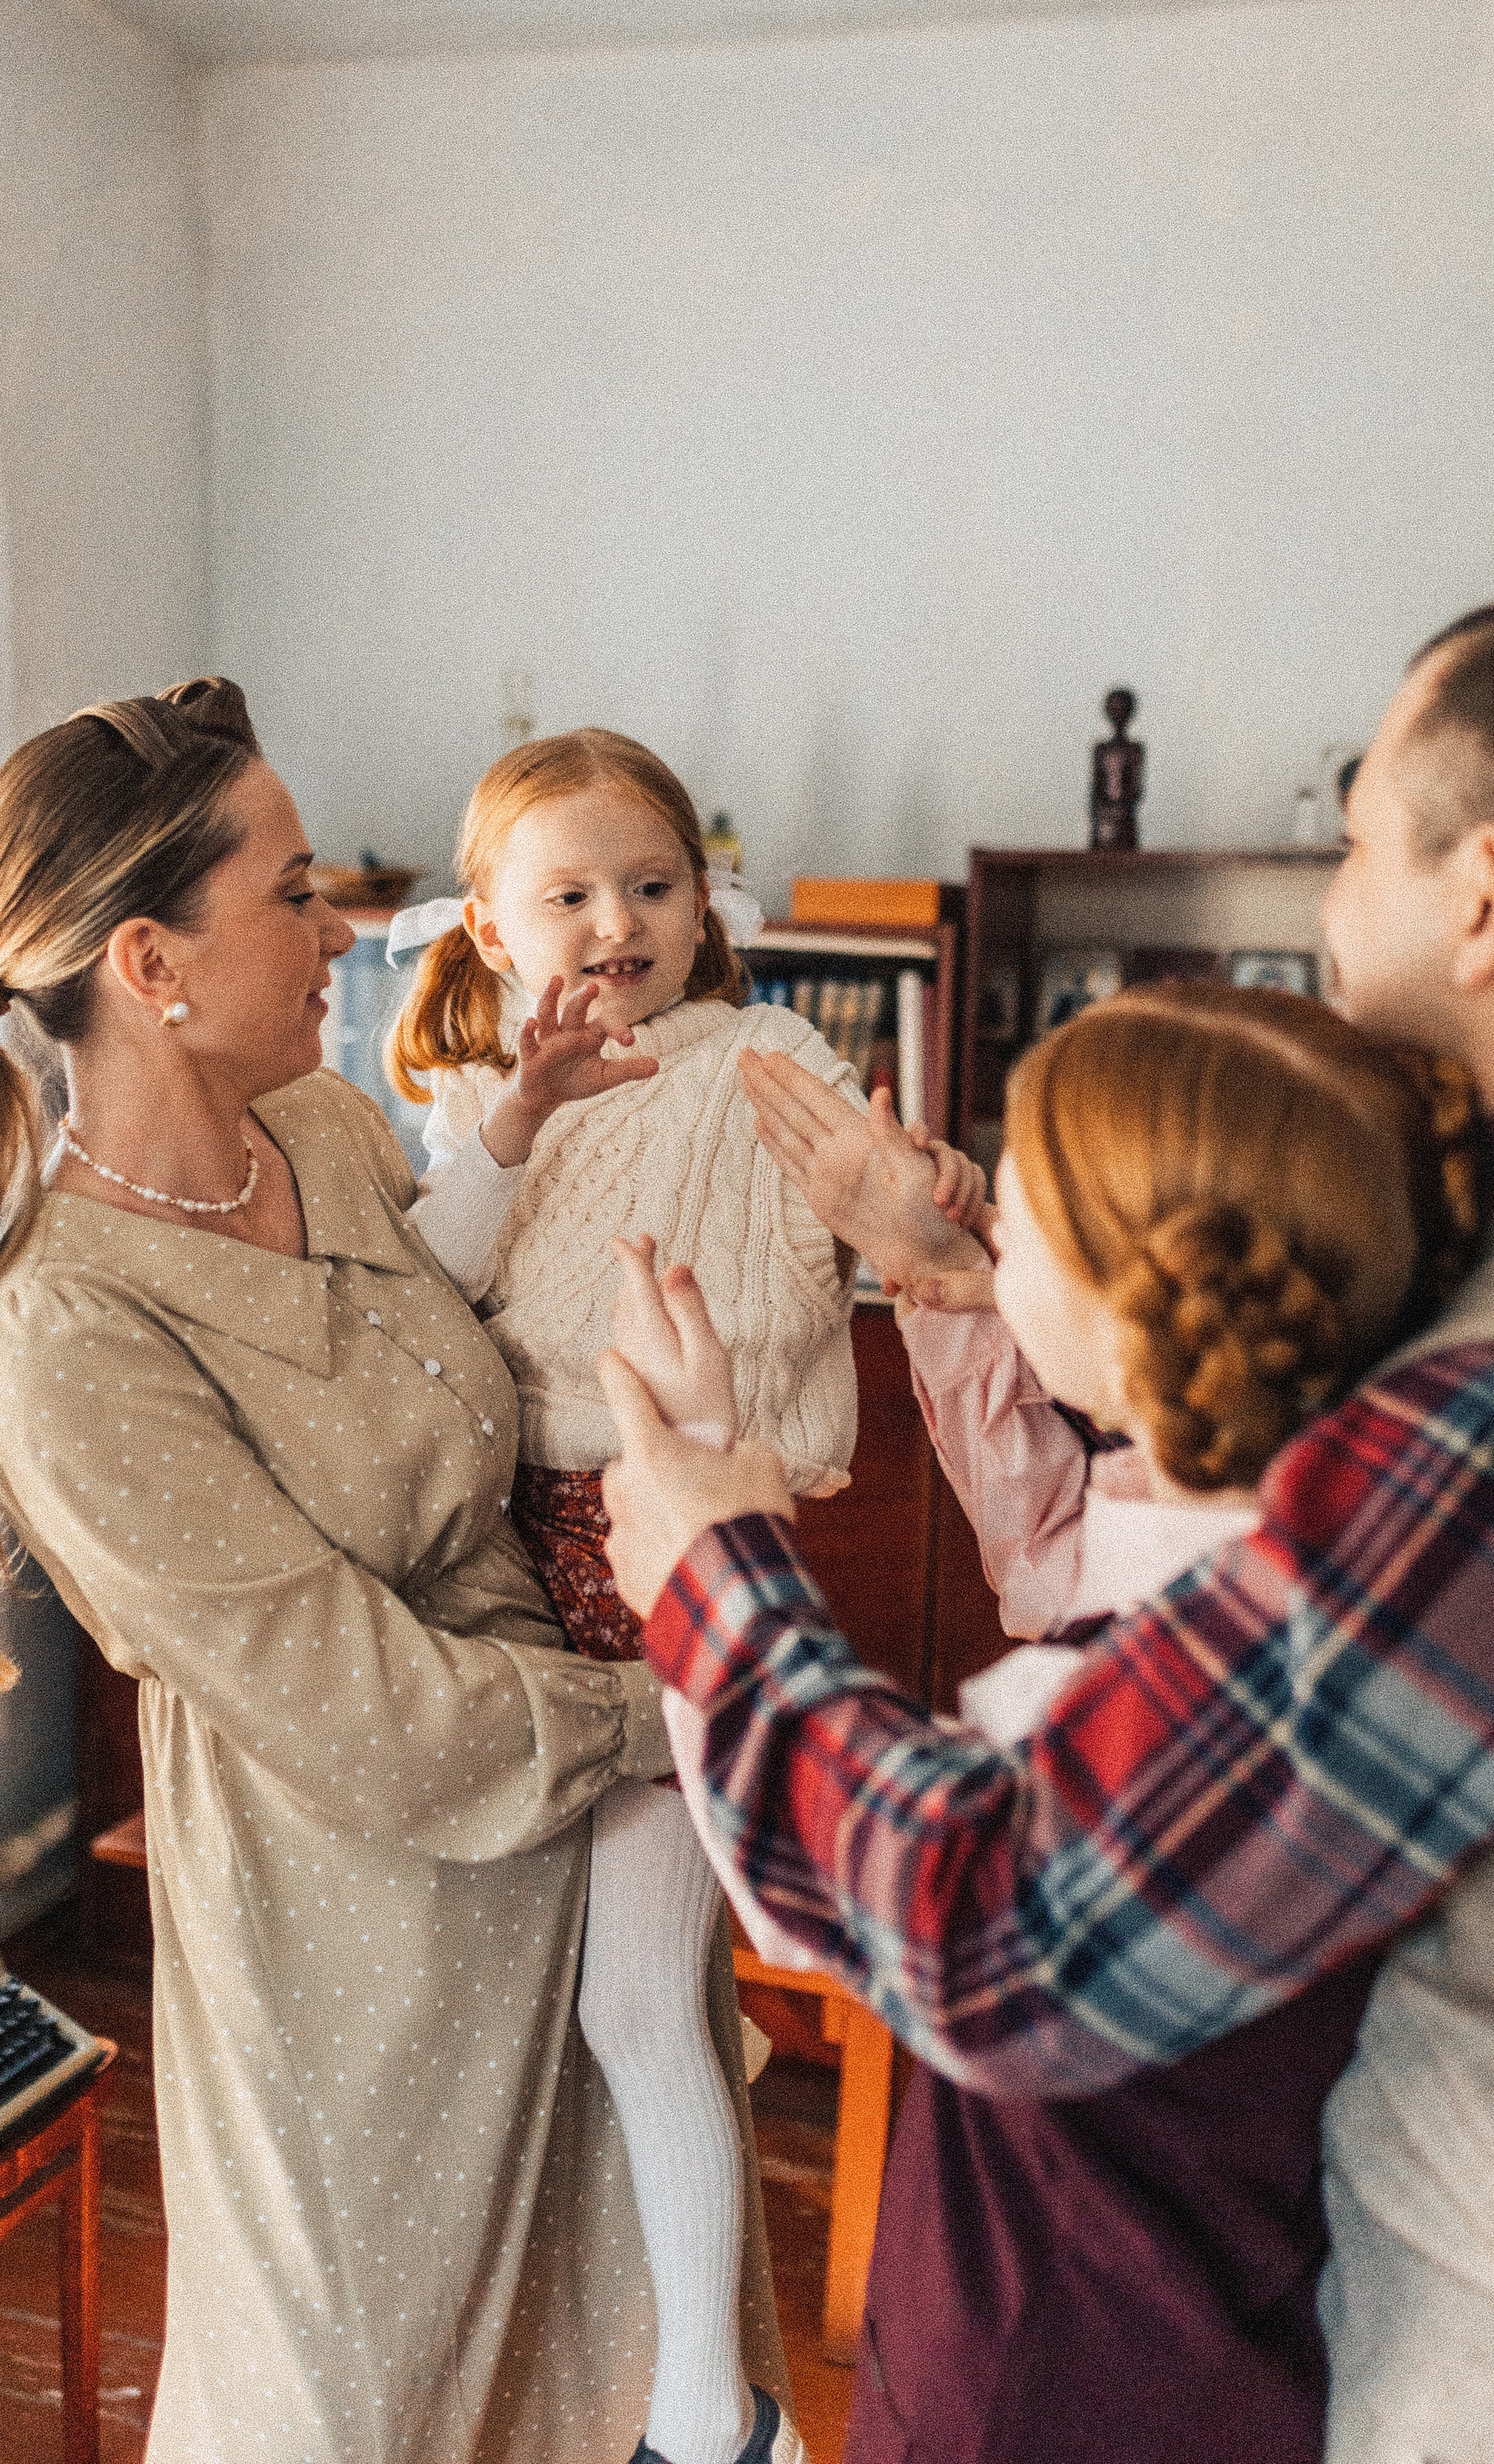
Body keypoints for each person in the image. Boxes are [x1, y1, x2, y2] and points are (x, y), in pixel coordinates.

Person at [0, 677, 787, 2464]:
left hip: (581, 1863)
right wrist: (698, 1696)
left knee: (643, 2368)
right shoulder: (68, 1335)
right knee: (369, 2400)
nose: (339, 925)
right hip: (365, 1947)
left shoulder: (341, 1140)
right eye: (289, 892)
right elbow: (376, 1717)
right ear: (150, 963)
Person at [591, 609, 1494, 2464]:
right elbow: (1092, 1550)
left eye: (1354, 836)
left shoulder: (1453, 1429)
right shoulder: (1372, 1344)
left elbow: (972, 1916)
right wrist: (953, 1288)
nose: (1330, 904)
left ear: (1482, 892)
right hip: (1264, 2306)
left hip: (1152, 2346)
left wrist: (711, 1571)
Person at [384, 727, 877, 2464]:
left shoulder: (765, 1052)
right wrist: (510, 1123)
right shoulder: (472, 1100)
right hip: (516, 1559)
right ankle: (686, 2394)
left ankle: (713, 2414)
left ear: (703, 901)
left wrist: (901, 1209)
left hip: (685, 1535)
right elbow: (426, 1288)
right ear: (490, 928)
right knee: (596, 1996)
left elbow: (867, 1225)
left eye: (653, 886)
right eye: (571, 894)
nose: (617, 925)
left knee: (656, 1994)